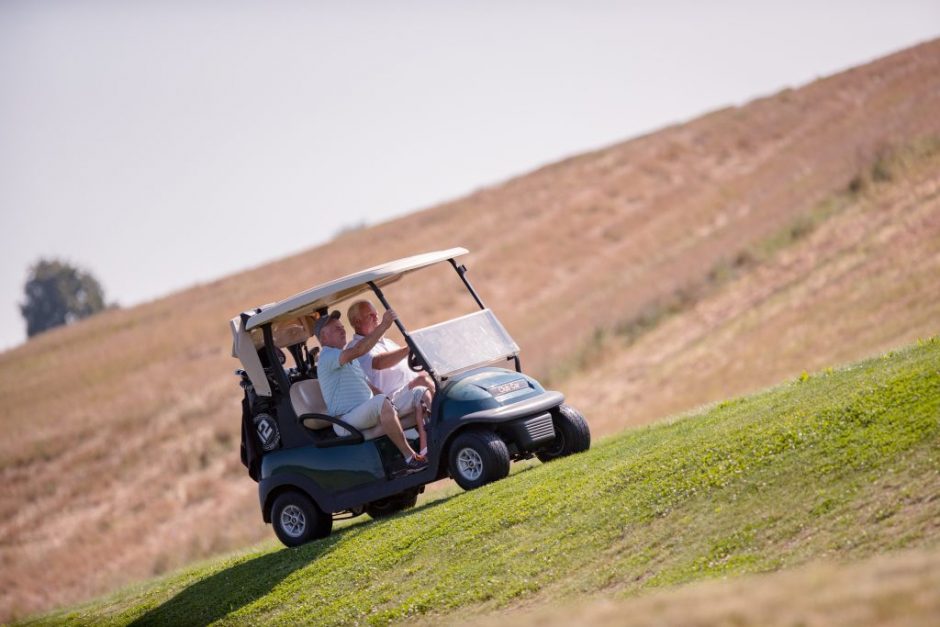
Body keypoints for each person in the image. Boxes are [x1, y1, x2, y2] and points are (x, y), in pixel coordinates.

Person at [314, 308, 427, 473]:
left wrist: (390, 402)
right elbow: (359, 350)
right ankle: (410, 458)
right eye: (336, 328)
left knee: (419, 393)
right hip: (345, 420)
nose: (343, 330)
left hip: (364, 412)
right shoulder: (327, 356)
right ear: (324, 337)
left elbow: (371, 388)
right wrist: (384, 325)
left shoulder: (347, 358)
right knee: (381, 403)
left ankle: (428, 448)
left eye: (342, 326)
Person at [346, 300, 433, 456]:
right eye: (370, 315)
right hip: (388, 402)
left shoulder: (387, 342)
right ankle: (430, 445)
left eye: (376, 314)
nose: (376, 317)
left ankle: (438, 434)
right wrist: (408, 348)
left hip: (406, 392)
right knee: (423, 384)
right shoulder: (356, 348)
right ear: (357, 322)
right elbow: (379, 362)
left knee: (428, 379)